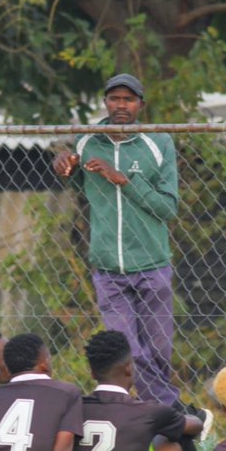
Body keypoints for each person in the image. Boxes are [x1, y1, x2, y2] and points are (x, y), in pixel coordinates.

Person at [52, 73, 180, 409]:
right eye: (114, 99)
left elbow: (168, 207)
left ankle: (156, 415)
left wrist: (125, 181)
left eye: (128, 99)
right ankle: (170, 410)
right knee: (128, 351)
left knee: (159, 351)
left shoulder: (159, 142)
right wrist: (64, 166)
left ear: (141, 104)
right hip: (108, 268)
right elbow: (77, 183)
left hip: (153, 264)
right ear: (105, 102)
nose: (121, 106)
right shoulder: (87, 142)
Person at [70, 331, 212, 451]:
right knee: (175, 440)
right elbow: (195, 426)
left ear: (93, 373)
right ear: (129, 368)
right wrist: (188, 416)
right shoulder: (148, 411)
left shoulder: (74, 407)